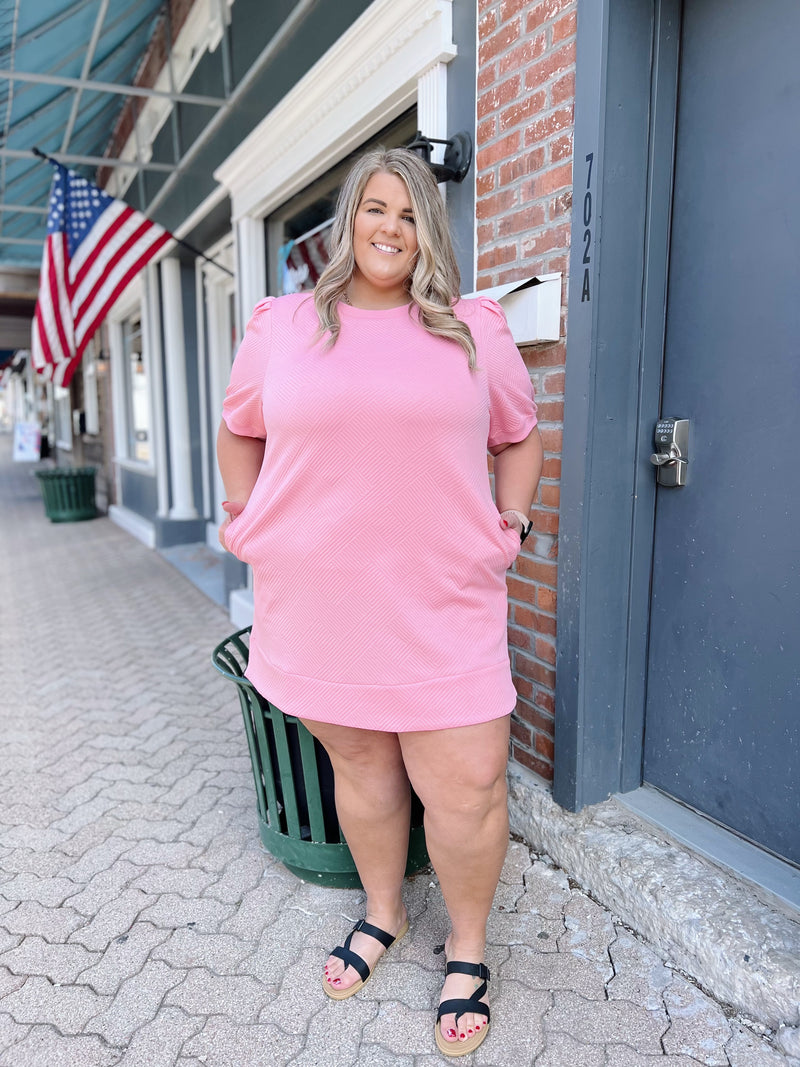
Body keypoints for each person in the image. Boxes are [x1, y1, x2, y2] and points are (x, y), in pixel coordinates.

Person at [217, 146, 543, 1057]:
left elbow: (518, 438)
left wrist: (510, 526)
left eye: (409, 214)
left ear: (429, 231)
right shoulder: (283, 326)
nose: (390, 228)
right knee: (360, 771)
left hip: (444, 599)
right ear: (347, 220)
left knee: (468, 785)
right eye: (374, 209)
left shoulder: (474, 328)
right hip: (322, 603)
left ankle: (468, 946)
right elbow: (240, 428)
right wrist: (244, 523)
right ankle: (386, 911)